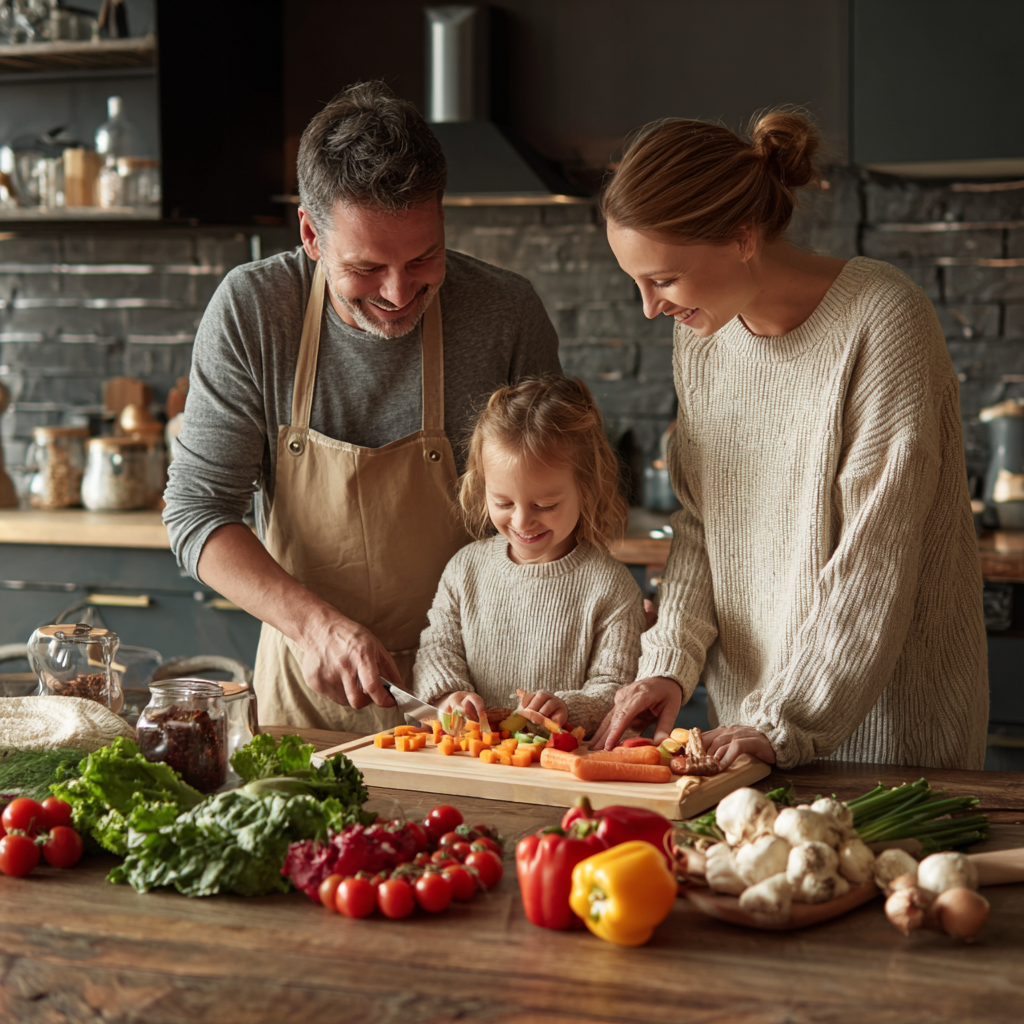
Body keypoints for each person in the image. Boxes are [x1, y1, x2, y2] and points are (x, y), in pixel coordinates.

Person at [589, 110, 988, 770]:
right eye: (636, 283)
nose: (649, 308)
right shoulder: (702, 342)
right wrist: (667, 666)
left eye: (662, 279)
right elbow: (699, 527)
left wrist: (784, 722)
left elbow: (877, 552)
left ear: (743, 237)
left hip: (884, 740)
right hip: (749, 734)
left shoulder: (882, 320)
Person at [162, 82, 561, 732]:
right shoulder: (255, 310)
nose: (400, 292)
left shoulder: (505, 313)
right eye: (367, 267)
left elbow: (563, 502)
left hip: (478, 705)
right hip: (310, 698)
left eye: (424, 255)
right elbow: (196, 512)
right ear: (310, 234)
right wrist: (313, 625)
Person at [411, 377, 645, 735]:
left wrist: (570, 707)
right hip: (475, 760)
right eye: (503, 502)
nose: (522, 521)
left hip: (563, 769)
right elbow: (437, 646)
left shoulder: (611, 586)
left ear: (587, 488)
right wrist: (448, 696)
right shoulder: (464, 569)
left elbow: (616, 685)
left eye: (545, 505)